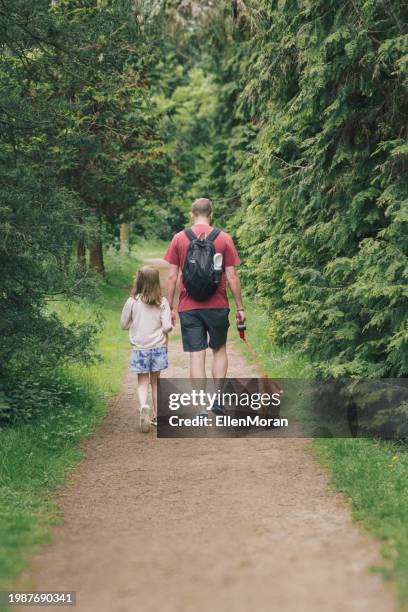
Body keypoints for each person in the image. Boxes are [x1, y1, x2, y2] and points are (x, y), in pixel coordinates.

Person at [164, 197, 245, 381]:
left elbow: (172, 277)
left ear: (191, 214)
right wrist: (240, 308)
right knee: (219, 350)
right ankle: (217, 398)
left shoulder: (179, 238)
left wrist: (168, 308)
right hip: (217, 306)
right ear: (211, 214)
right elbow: (232, 277)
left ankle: (201, 406)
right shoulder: (224, 238)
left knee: (196, 356)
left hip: (189, 307)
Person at [120, 266, 172, 433]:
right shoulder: (162, 302)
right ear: (157, 282)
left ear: (139, 281)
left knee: (142, 382)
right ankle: (158, 415)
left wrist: (133, 324)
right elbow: (167, 326)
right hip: (158, 348)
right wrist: (164, 329)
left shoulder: (132, 302)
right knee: (156, 382)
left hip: (140, 349)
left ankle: (144, 407)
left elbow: (123, 325)